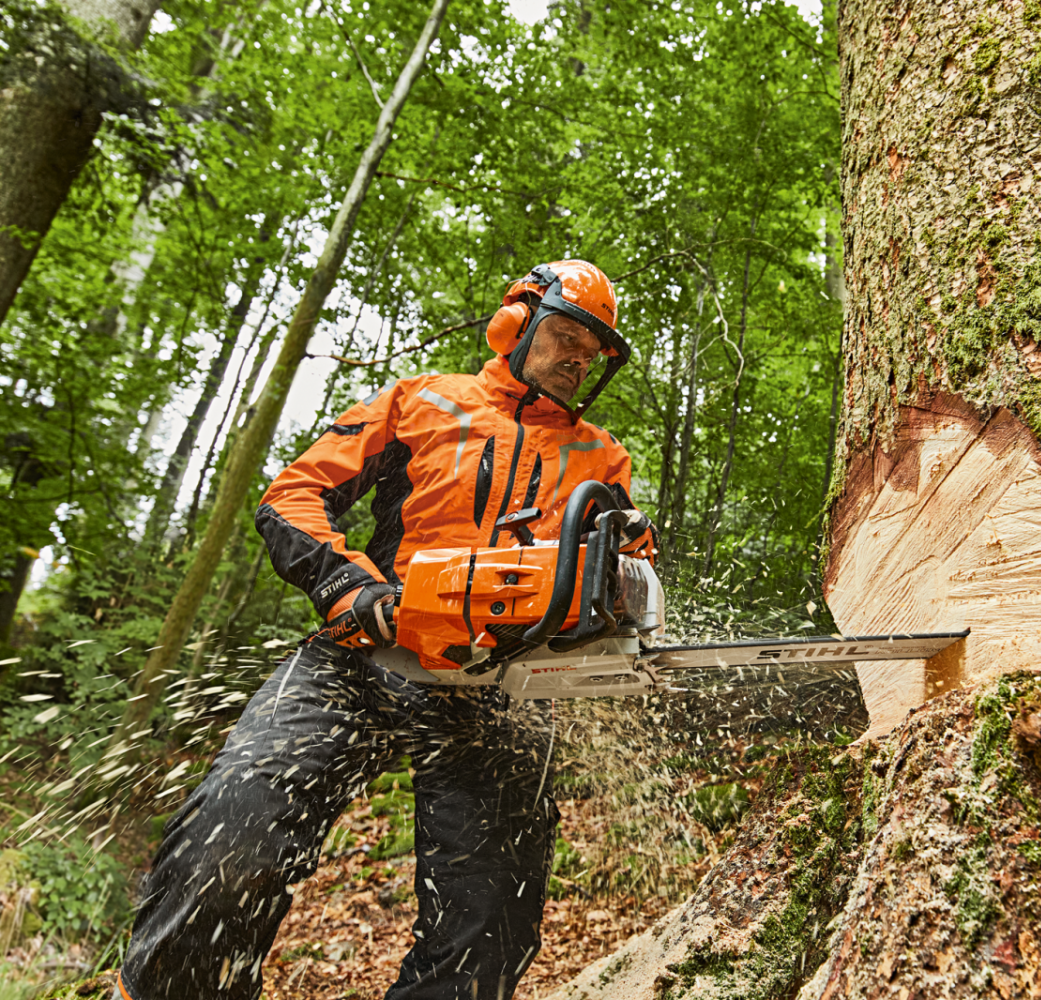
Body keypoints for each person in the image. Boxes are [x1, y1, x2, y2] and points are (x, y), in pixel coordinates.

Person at [114, 261, 655, 1000]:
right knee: (230, 838)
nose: (575, 359)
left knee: (486, 923)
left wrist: (618, 585)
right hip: (360, 659)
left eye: (589, 353)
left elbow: (630, 571)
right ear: (513, 326)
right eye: (564, 336)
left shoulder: (601, 457)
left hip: (503, 692)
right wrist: (349, 585)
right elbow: (294, 494)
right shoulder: (422, 400)